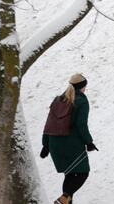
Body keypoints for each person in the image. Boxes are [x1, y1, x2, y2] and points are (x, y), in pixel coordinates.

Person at [40, 73, 98, 204]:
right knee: (83, 173)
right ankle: (63, 199)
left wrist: (46, 145)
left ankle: (66, 201)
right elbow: (81, 125)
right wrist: (89, 142)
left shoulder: (58, 100)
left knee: (70, 174)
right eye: (85, 86)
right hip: (71, 144)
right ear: (82, 87)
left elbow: (49, 123)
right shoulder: (81, 101)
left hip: (55, 143)